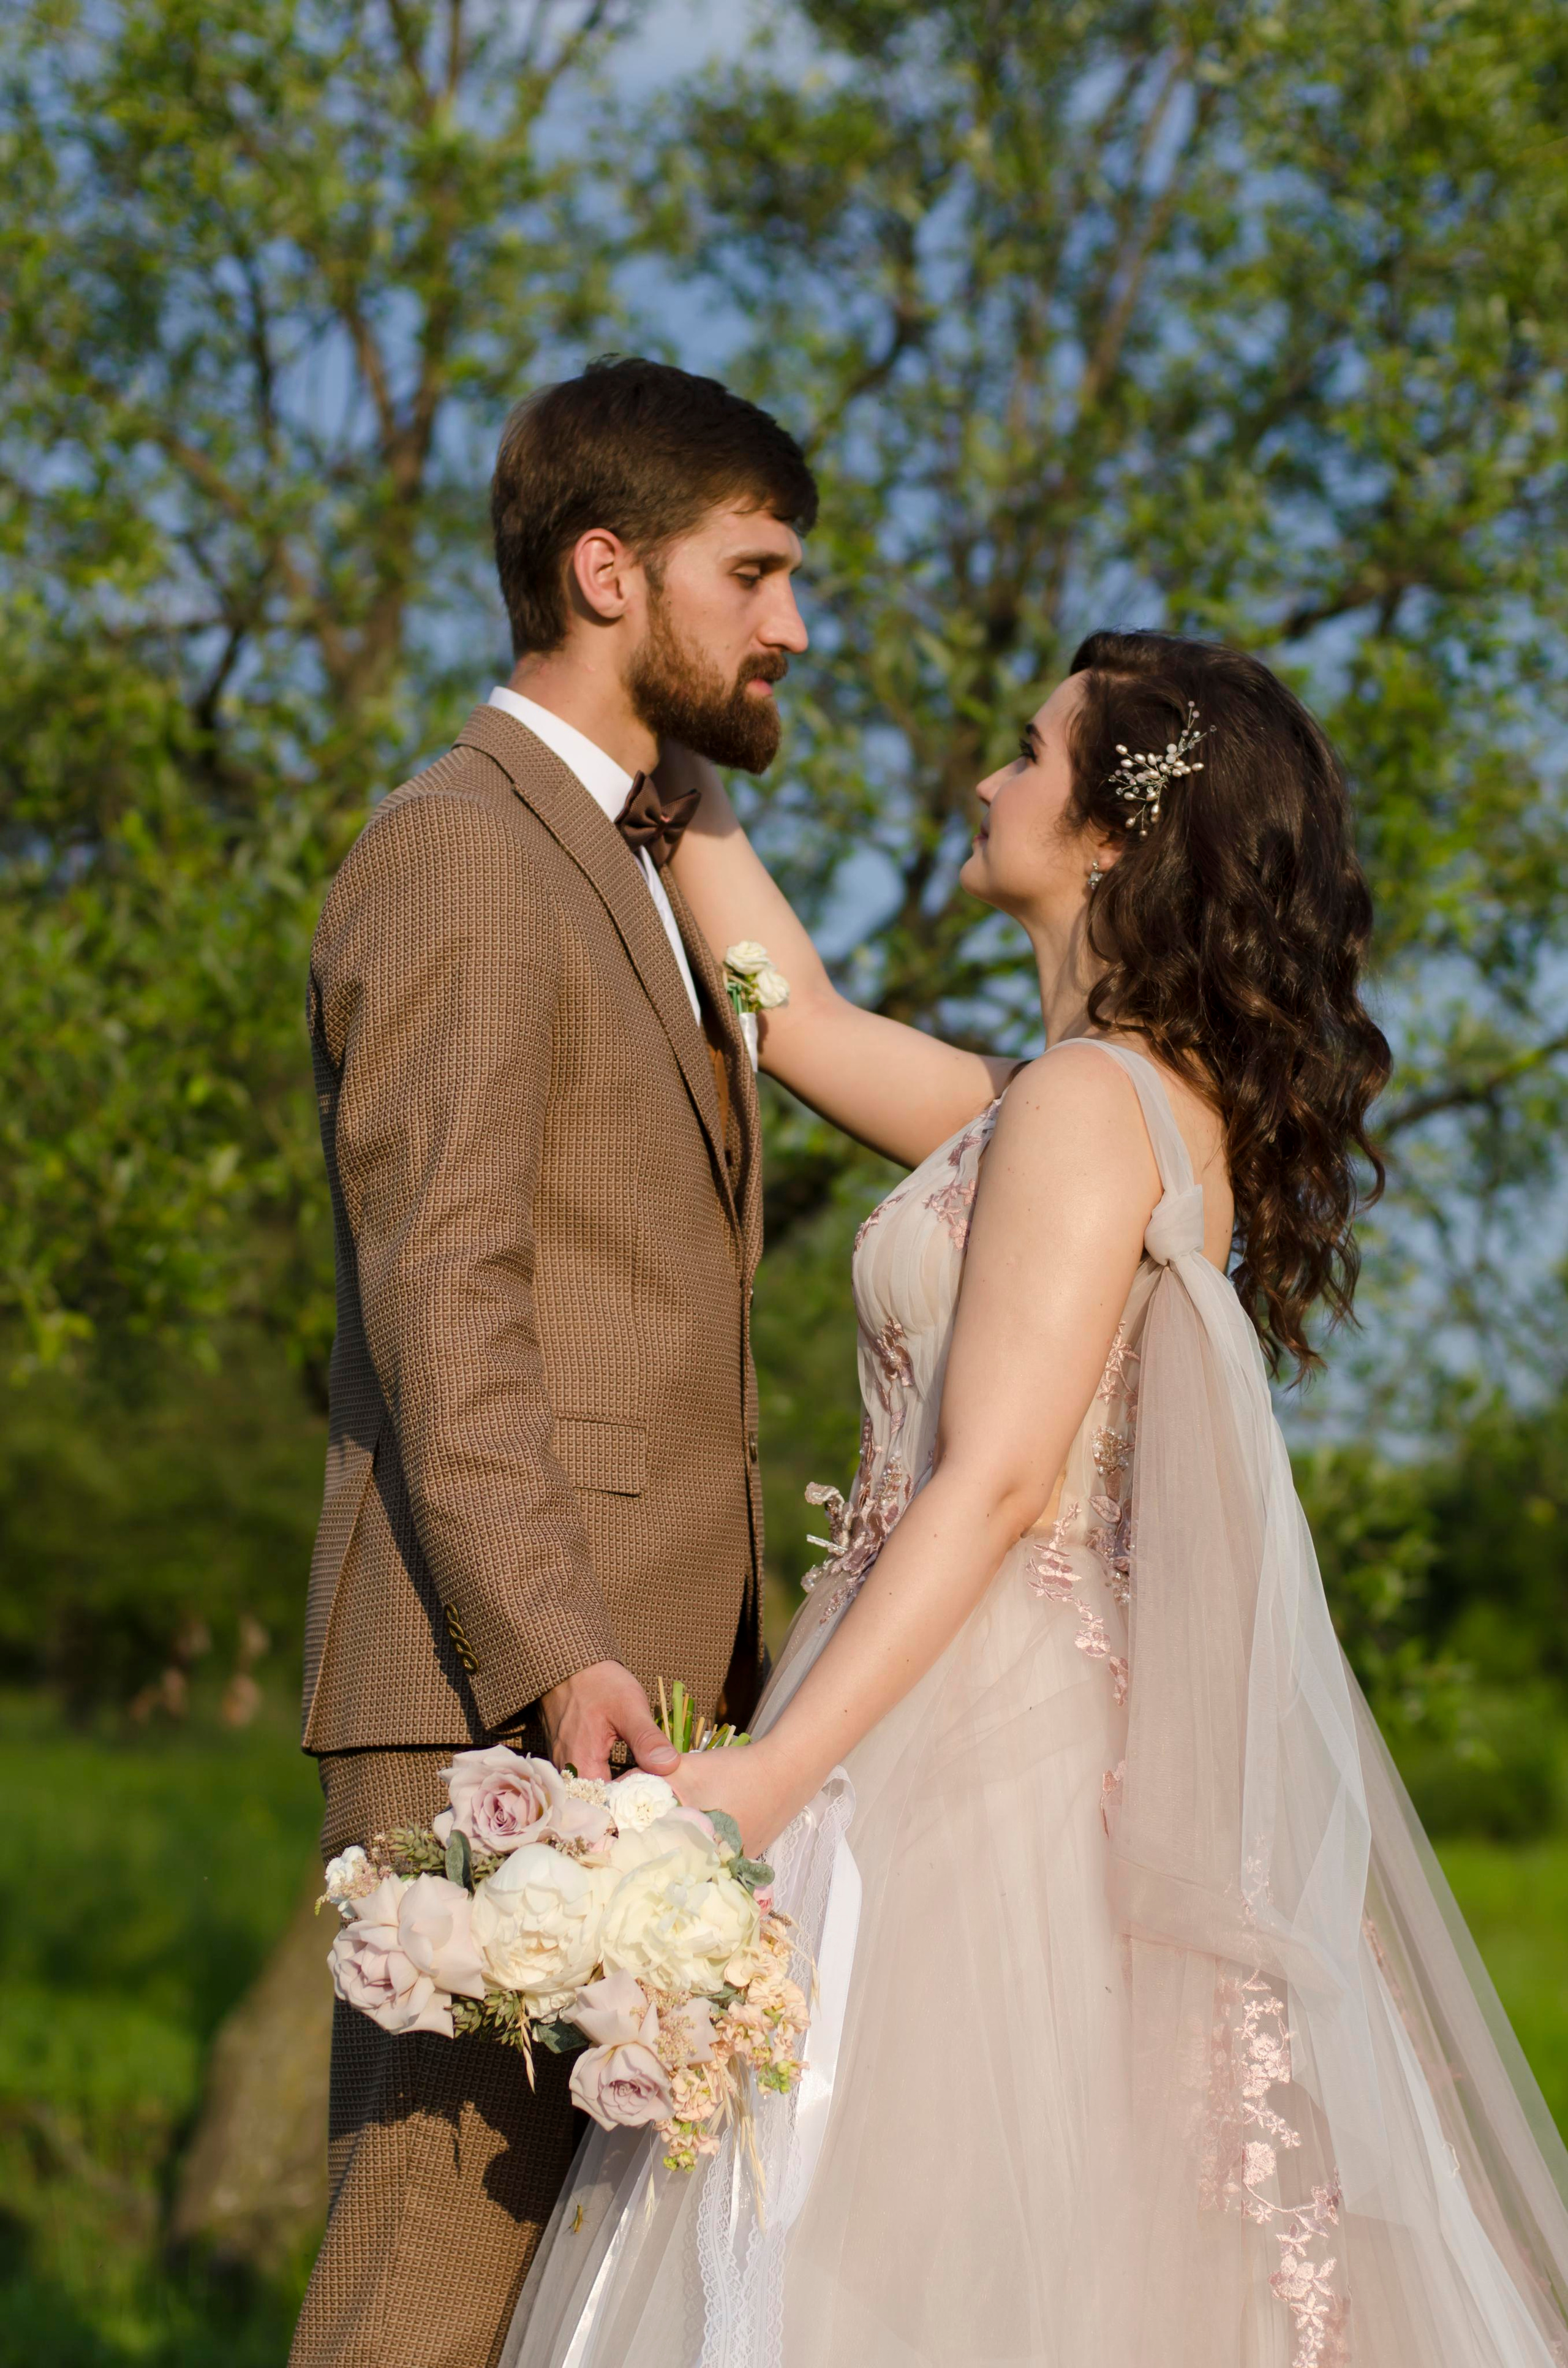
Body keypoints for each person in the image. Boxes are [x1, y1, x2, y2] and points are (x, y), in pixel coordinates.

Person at [505, 631, 1568, 2366]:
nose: (986, 780)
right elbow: (807, 1019)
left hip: (972, 1748)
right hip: (938, 1703)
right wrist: (659, 755)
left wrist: (770, 1774)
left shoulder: (1088, 1104)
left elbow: (997, 1480)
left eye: (1028, 753)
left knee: (919, 2241)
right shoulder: (1052, 1099)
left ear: (1111, 836)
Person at [289, 357, 816, 2368]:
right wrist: (553, 1648)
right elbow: (451, 1296)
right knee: (427, 2288)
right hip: (502, 1699)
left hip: (635, 1701)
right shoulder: (459, 846)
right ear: (609, 569)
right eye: (754, 571)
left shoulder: (630, 854)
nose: (792, 625)